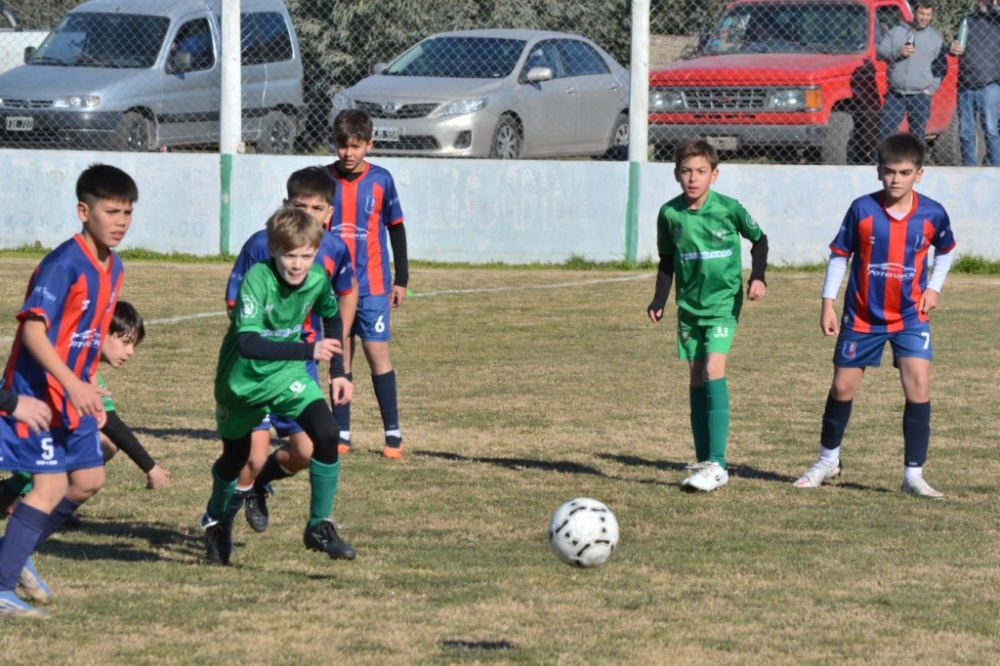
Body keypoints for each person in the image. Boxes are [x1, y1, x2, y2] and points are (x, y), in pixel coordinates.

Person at [0, 163, 136, 618]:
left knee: (88, 480)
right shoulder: (63, 264)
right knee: (49, 484)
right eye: (111, 211)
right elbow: (34, 333)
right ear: (84, 210)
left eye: (128, 213)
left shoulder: (113, 266)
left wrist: (90, 384)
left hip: (74, 394)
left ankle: (12, 557)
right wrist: (73, 382)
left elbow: (88, 333)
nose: (120, 221)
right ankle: (2, 584)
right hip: (37, 396)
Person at [794, 133, 957, 497]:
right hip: (863, 316)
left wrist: (934, 288)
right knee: (842, 387)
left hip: (910, 317)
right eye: (889, 172)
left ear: (920, 173)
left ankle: (913, 474)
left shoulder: (932, 213)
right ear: (878, 171)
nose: (896, 179)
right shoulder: (862, 210)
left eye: (904, 172)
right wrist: (827, 302)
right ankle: (827, 460)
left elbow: (946, 250)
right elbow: (840, 255)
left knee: (918, 387)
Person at [202, 206, 355, 566]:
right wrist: (308, 349)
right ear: (273, 249)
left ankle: (319, 525)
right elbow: (248, 344)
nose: (298, 264)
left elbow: (332, 316)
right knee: (237, 458)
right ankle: (217, 522)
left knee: (328, 433)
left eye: (306, 255)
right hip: (242, 381)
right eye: (289, 255)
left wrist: (339, 371)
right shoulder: (258, 278)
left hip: (287, 374)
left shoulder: (318, 279)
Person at [646, 139, 768, 492]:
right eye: (686, 171)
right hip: (690, 307)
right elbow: (667, 261)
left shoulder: (729, 209)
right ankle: (705, 462)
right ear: (676, 175)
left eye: (700, 171)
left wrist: (757, 276)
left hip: (723, 303)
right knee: (697, 379)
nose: (693, 178)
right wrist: (659, 299)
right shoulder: (670, 214)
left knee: (714, 370)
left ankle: (718, 463)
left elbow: (759, 241)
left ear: (714, 175)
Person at [0, 301, 168, 520]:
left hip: (30, 431)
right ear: (100, 333)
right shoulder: (75, 359)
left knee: (102, 444)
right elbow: (113, 425)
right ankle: (43, 506)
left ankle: (12, 494)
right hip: (16, 430)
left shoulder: (82, 358)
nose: (130, 352)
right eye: (125, 342)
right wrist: (151, 468)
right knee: (97, 445)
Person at [326, 109, 409, 459]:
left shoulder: (382, 180)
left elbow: (396, 227)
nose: (348, 153)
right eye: (343, 146)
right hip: (334, 287)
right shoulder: (323, 180)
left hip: (373, 284)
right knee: (340, 352)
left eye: (356, 146)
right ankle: (341, 431)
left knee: (377, 354)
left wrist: (402, 278)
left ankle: (393, 433)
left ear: (369, 145)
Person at [875, 0, 945, 151]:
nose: (924, 18)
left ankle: (917, 170)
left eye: (928, 15)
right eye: (921, 13)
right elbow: (880, 52)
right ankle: (878, 168)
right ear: (914, 13)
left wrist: (931, 88)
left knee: (917, 137)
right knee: (884, 134)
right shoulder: (896, 32)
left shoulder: (935, 39)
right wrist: (898, 52)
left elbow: (941, 66)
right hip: (896, 94)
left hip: (920, 95)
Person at [948, 0, 1000, 166]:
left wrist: (996, 6)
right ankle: (968, 168)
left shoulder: (997, 21)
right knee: (965, 132)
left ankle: (995, 169)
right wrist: (953, 48)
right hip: (965, 84)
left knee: (991, 130)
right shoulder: (967, 21)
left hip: (989, 85)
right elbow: (958, 46)